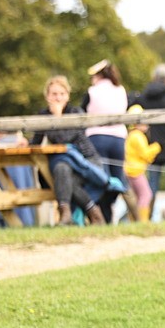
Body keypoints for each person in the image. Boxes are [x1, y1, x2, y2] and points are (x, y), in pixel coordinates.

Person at [24, 75, 108, 225]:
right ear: (47, 96)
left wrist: (57, 116)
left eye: (61, 94)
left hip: (85, 162)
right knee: (62, 168)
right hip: (63, 164)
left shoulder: (75, 112)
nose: (58, 98)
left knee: (64, 174)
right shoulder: (43, 115)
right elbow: (36, 142)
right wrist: (26, 143)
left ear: (67, 96)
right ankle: (78, 214)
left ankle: (82, 214)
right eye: (54, 94)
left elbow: (65, 139)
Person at [83, 60, 128, 222]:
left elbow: (83, 113)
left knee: (101, 179)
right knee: (116, 179)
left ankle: (103, 216)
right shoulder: (121, 90)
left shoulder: (92, 91)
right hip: (118, 139)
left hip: (97, 137)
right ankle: (109, 213)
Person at [137, 63, 165, 208]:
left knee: (151, 188)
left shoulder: (143, 98)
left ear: (154, 77)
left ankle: (146, 220)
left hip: (150, 147)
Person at [124, 105, 160, 222]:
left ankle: (135, 220)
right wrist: (156, 147)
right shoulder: (137, 136)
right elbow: (146, 155)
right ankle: (143, 220)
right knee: (146, 195)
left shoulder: (133, 135)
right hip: (135, 172)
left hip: (132, 171)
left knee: (138, 197)